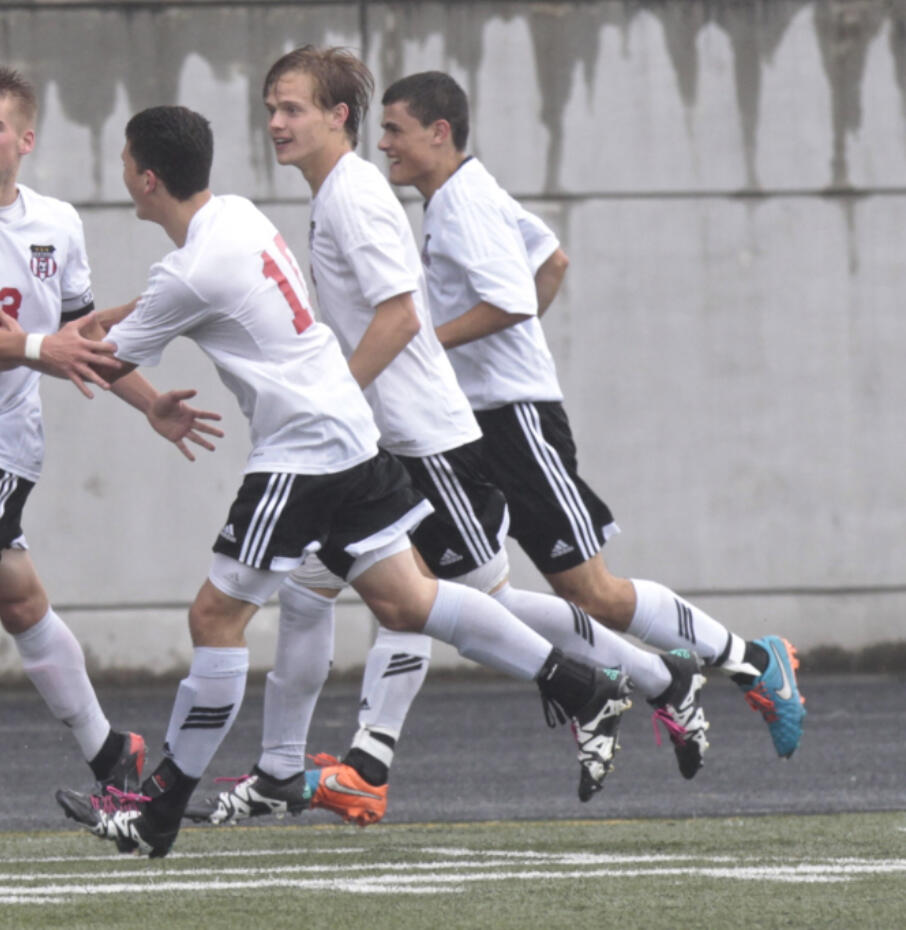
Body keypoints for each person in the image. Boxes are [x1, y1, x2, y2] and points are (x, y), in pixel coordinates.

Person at [51, 104, 635, 861]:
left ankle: (158, 811)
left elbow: (98, 360)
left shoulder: (189, 269)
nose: (122, 173)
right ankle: (582, 685)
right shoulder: (233, 217)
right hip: (349, 435)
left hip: (300, 452)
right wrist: (107, 318)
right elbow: (172, 303)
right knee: (409, 600)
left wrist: (18, 345)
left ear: (148, 177)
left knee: (214, 619)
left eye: (126, 161)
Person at [191, 46, 708, 830]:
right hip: (384, 442)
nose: (275, 124)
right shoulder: (337, 192)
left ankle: (648, 680)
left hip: (424, 443)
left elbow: (402, 317)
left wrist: (333, 398)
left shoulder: (356, 196)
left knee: (476, 604)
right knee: (313, 591)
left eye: (292, 108)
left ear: (340, 118)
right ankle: (282, 770)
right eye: (270, 109)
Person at [373, 69, 805, 760]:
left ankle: (752, 659)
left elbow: (514, 297)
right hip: (478, 420)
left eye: (394, 129)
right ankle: (641, 683)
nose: (383, 144)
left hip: (513, 421)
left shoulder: (461, 204)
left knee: (592, 591)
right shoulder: (465, 193)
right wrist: (502, 352)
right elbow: (553, 260)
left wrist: (431, 346)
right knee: (458, 592)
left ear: (439, 131)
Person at [0, 65, 220, 852]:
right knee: (22, 605)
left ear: (26, 140)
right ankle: (114, 752)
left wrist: (152, 406)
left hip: (2, 445)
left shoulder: (58, 225)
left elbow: (83, 342)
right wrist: (43, 347)